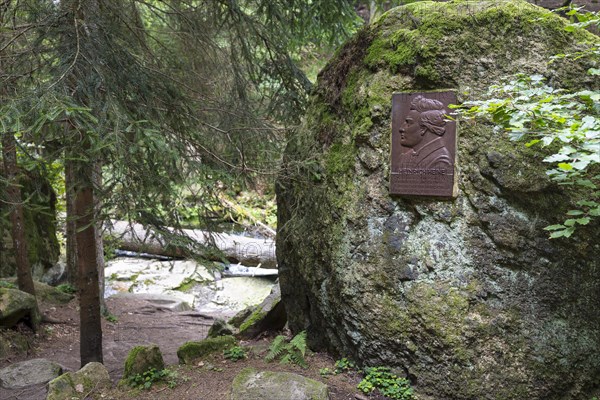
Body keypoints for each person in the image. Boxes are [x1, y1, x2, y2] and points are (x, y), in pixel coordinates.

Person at [398, 95, 452, 169]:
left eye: (408, 123)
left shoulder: (441, 161)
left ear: (423, 128)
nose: (401, 129)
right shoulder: (405, 158)